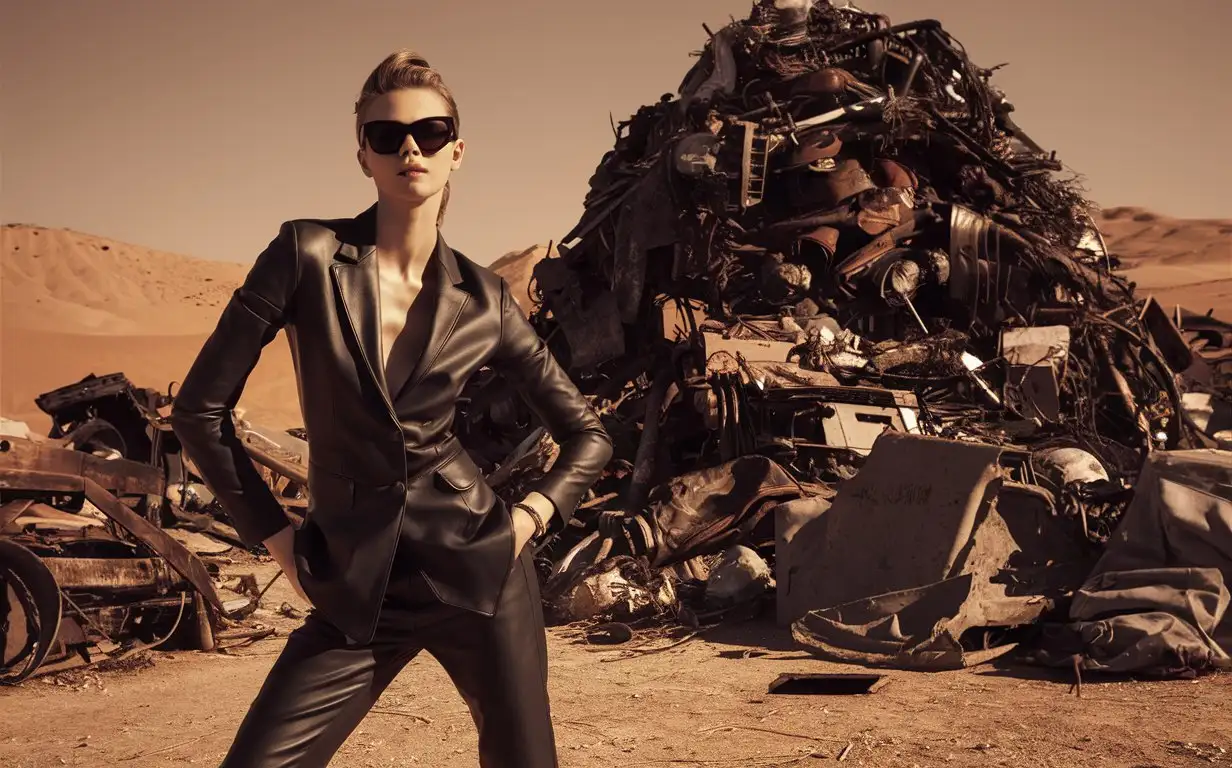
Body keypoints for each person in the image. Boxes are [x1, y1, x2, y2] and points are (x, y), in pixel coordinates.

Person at [171, 49, 613, 768]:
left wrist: (527, 520)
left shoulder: (486, 299)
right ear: (364, 158)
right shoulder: (305, 255)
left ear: (456, 151)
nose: (411, 147)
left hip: (481, 573)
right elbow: (199, 411)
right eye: (387, 135)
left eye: (431, 132)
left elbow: (589, 437)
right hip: (353, 585)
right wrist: (280, 541)